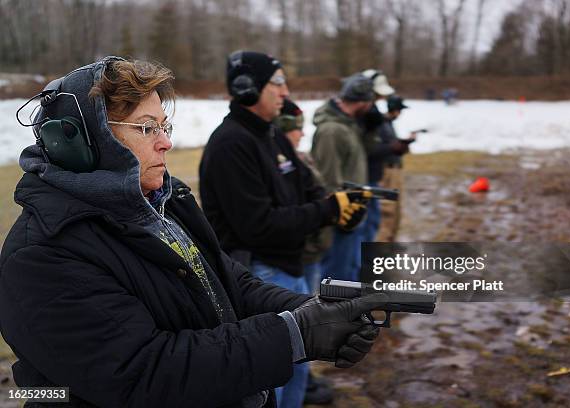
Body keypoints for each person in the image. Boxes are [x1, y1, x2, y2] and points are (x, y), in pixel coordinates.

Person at [0, 56, 386, 408]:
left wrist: (310, 309)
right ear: (79, 144)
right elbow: (143, 373)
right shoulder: (42, 255)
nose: (166, 142)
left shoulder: (164, 202)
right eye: (147, 127)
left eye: (164, 126)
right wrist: (292, 335)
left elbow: (227, 280)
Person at [198, 51, 370, 408]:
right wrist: (327, 209)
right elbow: (259, 226)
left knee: (299, 368)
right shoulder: (231, 144)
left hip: (291, 267)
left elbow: (308, 185)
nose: (285, 91)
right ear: (247, 88)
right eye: (277, 82)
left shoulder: (271, 134)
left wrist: (339, 207)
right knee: (274, 377)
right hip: (261, 273)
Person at [274, 98, 335, 405]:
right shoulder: (272, 159)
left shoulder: (296, 158)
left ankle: (305, 382)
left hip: (306, 255)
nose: (301, 134)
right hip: (294, 258)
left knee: (305, 331)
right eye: (296, 129)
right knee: (292, 336)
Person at [311, 73, 375, 283]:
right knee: (338, 281)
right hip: (341, 220)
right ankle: (336, 316)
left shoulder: (348, 125)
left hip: (353, 214)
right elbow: (328, 180)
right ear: (363, 102)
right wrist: (342, 214)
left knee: (350, 271)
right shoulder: (332, 130)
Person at [376, 95, 416, 242]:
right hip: (388, 170)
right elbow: (382, 148)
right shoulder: (382, 124)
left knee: (395, 210)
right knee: (388, 209)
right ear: (395, 110)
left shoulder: (388, 124)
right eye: (400, 110)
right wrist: (400, 146)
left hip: (395, 169)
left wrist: (405, 142)